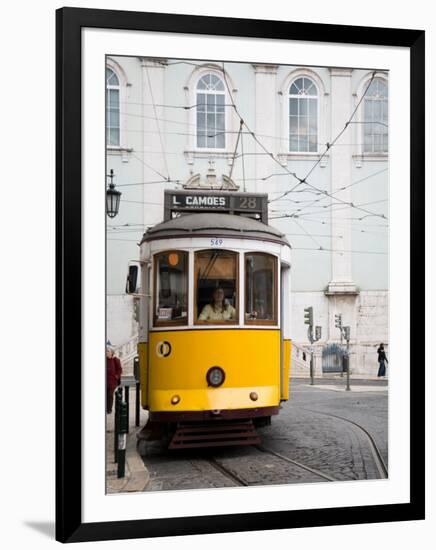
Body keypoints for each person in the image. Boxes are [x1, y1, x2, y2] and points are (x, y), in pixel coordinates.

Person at [106, 345, 122, 414]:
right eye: (106, 351)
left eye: (108, 351)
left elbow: (119, 369)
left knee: (110, 395)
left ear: (112, 353)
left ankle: (109, 409)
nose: (106, 352)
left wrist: (116, 376)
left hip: (112, 381)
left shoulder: (116, 360)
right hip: (106, 380)